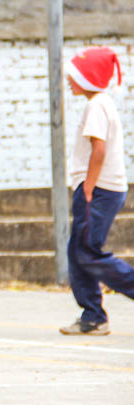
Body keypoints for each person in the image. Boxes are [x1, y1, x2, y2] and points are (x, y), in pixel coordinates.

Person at [59, 47, 132, 335]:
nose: (69, 80)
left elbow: (98, 149)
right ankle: (92, 315)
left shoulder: (96, 106)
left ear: (88, 79)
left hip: (98, 190)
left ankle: (94, 315)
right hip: (100, 189)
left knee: (87, 253)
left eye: (74, 76)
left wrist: (88, 187)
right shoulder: (101, 103)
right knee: (79, 251)